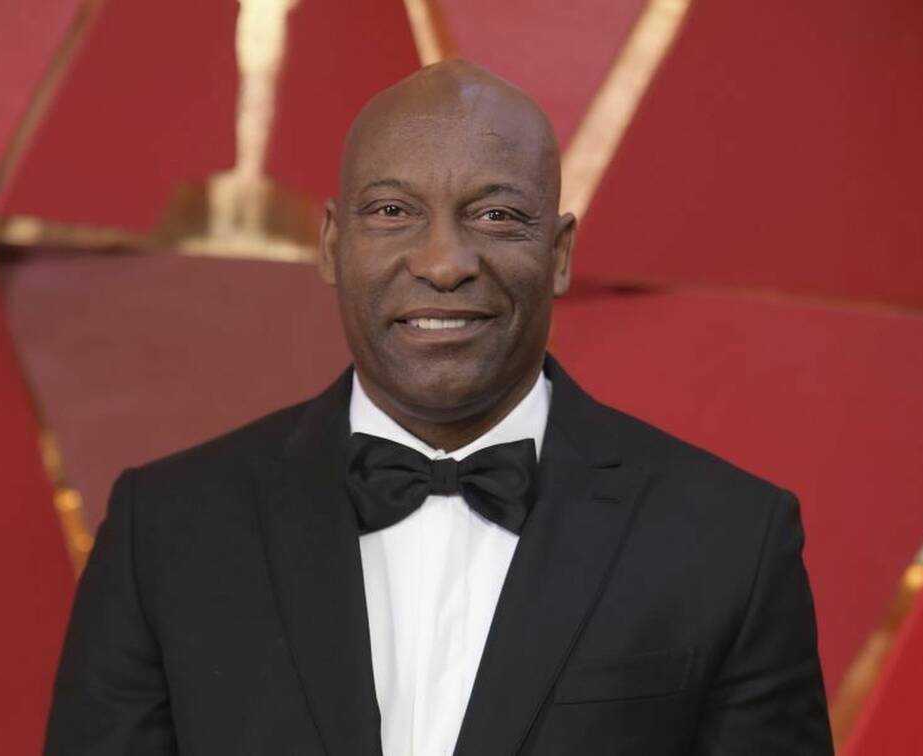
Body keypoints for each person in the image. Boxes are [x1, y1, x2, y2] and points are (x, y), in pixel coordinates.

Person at [44, 60, 833, 755]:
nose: (445, 263)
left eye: (496, 215)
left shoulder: (731, 541)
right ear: (332, 244)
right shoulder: (164, 531)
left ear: (558, 255)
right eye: (393, 211)